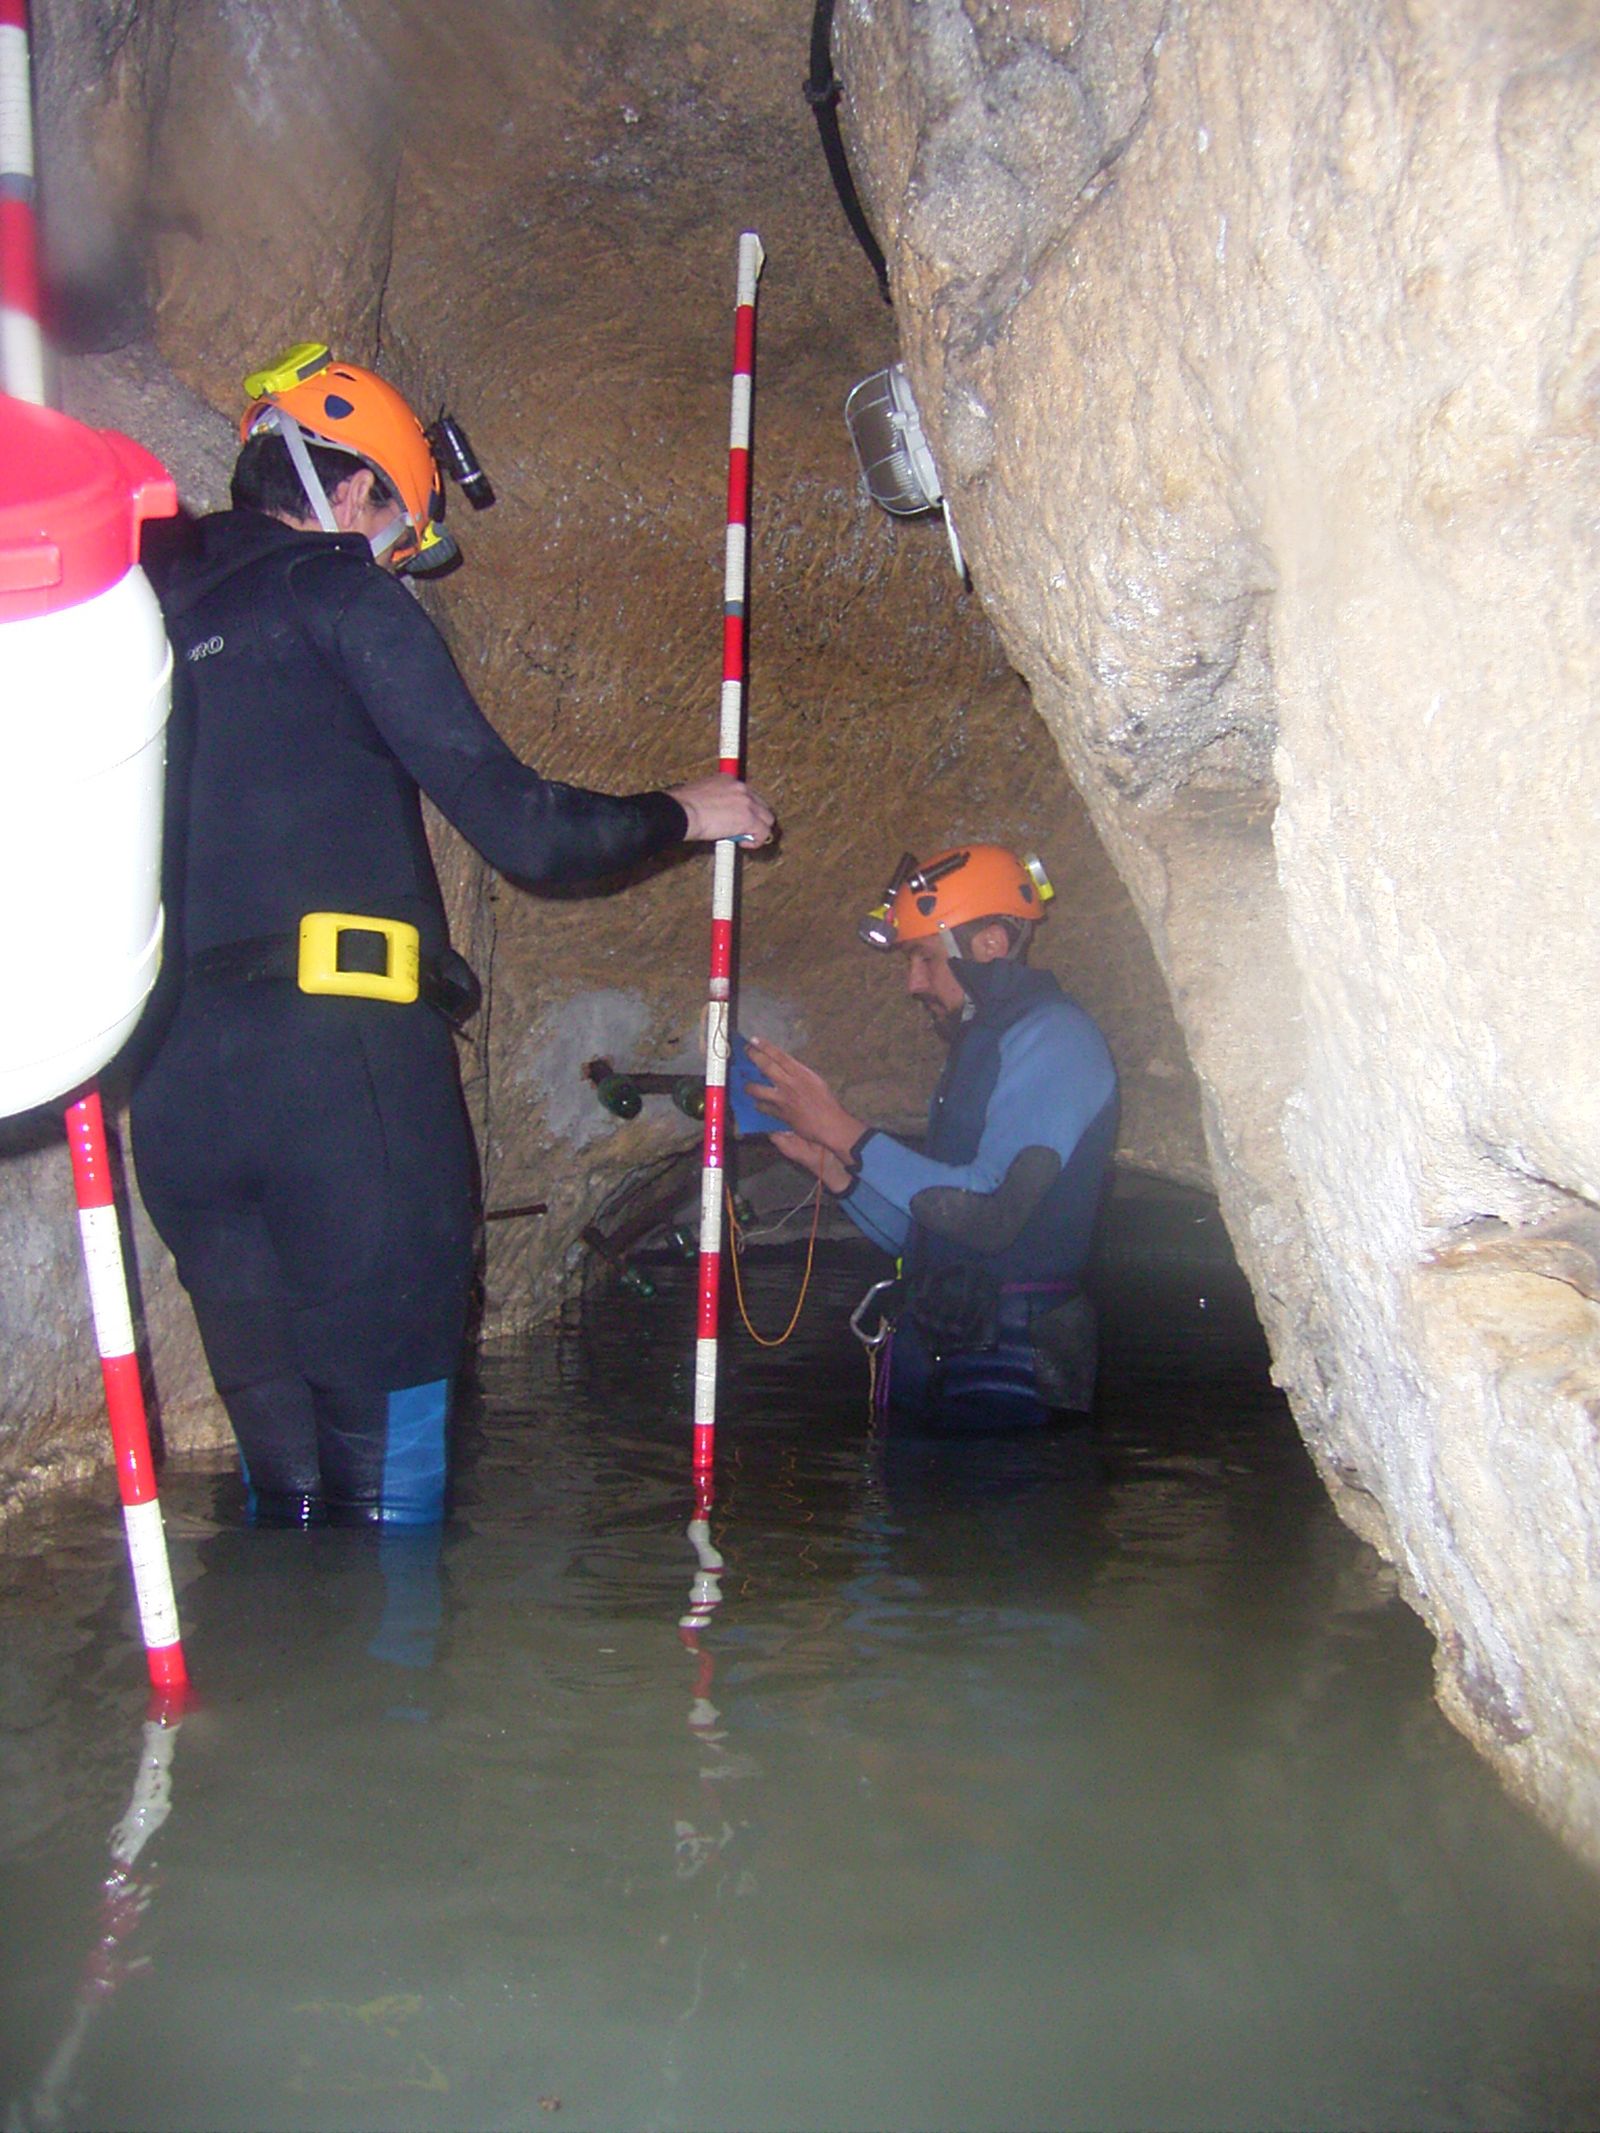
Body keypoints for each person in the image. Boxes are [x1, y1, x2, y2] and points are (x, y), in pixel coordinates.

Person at [130, 344, 774, 1527]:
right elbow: (528, 834)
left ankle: (291, 1690)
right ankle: (398, 1692)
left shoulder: (143, 612)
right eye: (399, 530)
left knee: (290, 1488)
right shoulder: (335, 591)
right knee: (393, 1487)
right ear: (361, 491)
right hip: (342, 1077)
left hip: (174, 1095)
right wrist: (689, 810)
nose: (394, 561)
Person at [746, 843, 1117, 1430]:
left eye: (923, 958)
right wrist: (838, 1170)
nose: (912, 983)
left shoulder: (1056, 1038)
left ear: (988, 945)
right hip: (951, 1341)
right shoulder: (979, 1049)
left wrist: (846, 1130)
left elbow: (991, 1216)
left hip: (1015, 1364)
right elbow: (931, 1232)